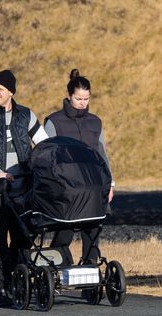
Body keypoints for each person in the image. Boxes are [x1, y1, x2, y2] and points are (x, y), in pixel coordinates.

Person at [0, 69, 48, 306]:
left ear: (11, 92)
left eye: (0, 89)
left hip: (23, 189)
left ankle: (18, 279)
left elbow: (43, 144)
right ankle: (1, 285)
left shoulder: (26, 115)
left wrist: (44, 169)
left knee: (23, 236)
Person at [44, 69, 115, 265]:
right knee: (64, 231)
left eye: (86, 99)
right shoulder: (54, 122)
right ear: (69, 96)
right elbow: (48, 157)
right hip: (67, 188)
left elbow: (101, 154)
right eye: (79, 99)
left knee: (93, 231)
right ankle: (59, 266)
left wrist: (111, 183)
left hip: (93, 186)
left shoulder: (95, 122)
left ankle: (90, 274)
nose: (83, 103)